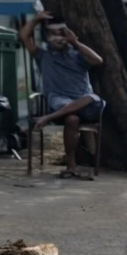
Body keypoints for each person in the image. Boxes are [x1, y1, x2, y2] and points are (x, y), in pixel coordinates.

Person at [20, 11, 105, 179]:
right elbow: (24, 37)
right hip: (61, 103)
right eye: (53, 34)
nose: (58, 38)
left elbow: (98, 60)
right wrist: (36, 19)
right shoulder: (43, 56)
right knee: (71, 118)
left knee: (90, 98)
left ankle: (47, 118)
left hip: (85, 103)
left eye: (62, 33)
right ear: (46, 36)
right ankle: (71, 166)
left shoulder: (77, 55)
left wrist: (75, 42)